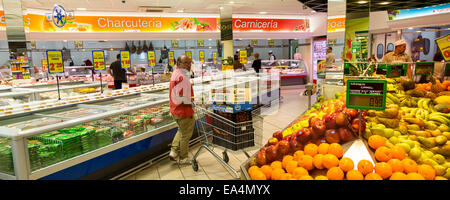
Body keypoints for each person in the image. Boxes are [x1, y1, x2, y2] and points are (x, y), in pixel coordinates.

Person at [168, 55, 195, 165]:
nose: (188, 65)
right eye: (185, 63)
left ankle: (174, 152)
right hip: (184, 111)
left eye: (189, 63)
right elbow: (181, 99)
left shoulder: (176, 73)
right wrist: (192, 103)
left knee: (181, 130)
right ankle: (184, 157)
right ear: (178, 64)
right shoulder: (182, 77)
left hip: (175, 110)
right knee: (185, 135)